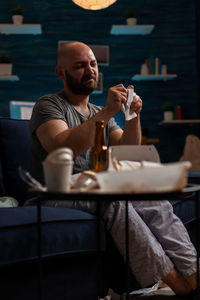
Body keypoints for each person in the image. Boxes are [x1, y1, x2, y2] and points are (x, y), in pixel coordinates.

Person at [27, 41, 198, 296]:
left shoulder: (99, 112)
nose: (90, 70)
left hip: (94, 189)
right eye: (80, 66)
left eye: (93, 64)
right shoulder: (49, 105)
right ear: (61, 72)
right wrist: (108, 112)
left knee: (150, 196)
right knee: (113, 202)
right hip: (54, 195)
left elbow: (126, 150)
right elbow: (62, 148)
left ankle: (193, 274)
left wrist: (132, 116)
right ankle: (177, 285)